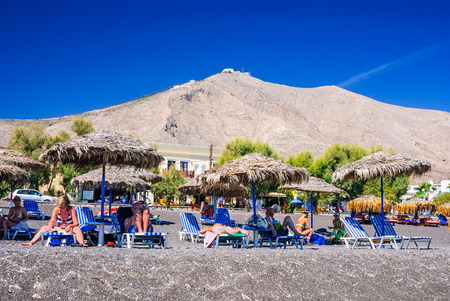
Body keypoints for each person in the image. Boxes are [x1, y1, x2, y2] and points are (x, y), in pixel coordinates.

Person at [21, 196, 87, 246]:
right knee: (44, 228)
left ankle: (82, 243)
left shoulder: (71, 209)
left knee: (77, 229)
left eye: (63, 208)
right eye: (60, 207)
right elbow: (52, 221)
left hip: (69, 229)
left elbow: (76, 223)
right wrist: (51, 225)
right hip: (60, 228)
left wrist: (70, 225)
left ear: (67, 205)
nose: (61, 209)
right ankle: (31, 242)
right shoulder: (56, 209)